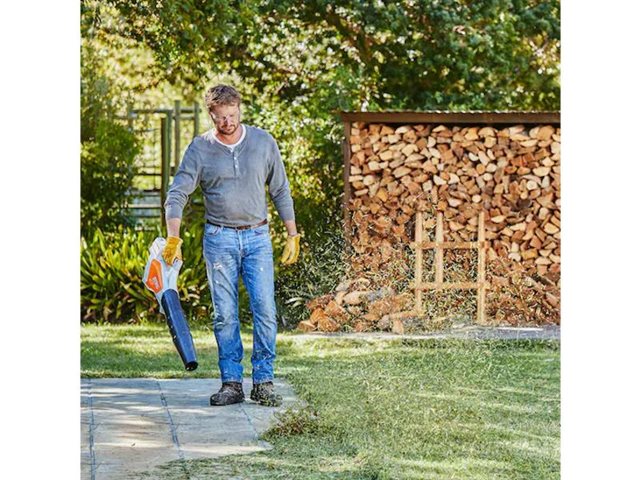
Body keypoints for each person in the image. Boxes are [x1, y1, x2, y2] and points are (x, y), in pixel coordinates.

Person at [161, 84, 300, 407]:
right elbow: (178, 193)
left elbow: (280, 189)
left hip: (257, 238)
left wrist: (292, 233)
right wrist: (173, 236)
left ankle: (263, 381)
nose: (227, 122)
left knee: (265, 310)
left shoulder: (263, 143)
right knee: (225, 314)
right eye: (221, 117)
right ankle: (232, 383)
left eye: (232, 115)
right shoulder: (200, 149)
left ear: (240, 108)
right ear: (211, 115)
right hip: (219, 238)